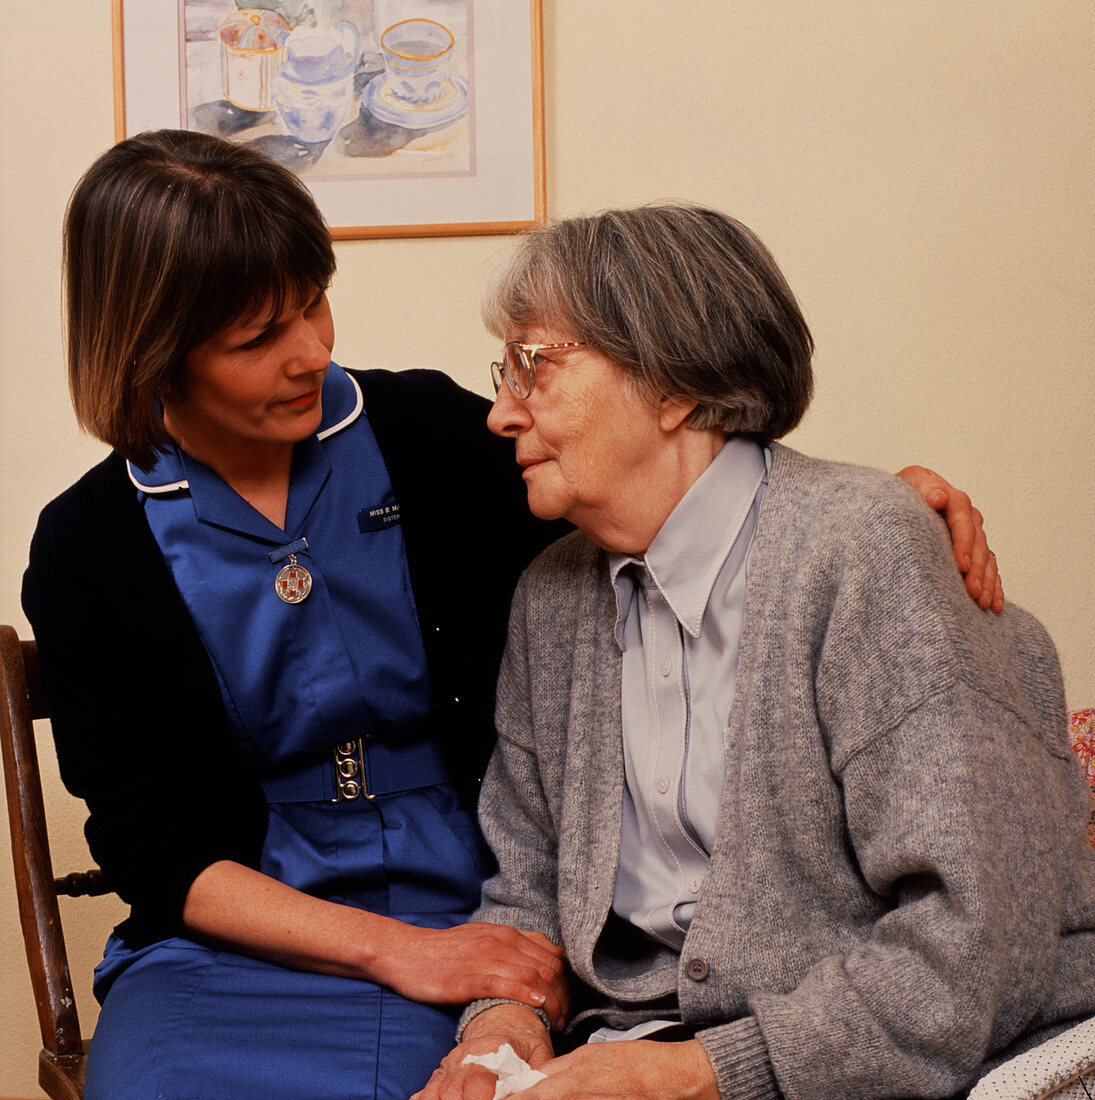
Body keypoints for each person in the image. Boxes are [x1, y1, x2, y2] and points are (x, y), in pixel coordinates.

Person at [22, 133, 996, 1099]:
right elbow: (158, 848)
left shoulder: (432, 435)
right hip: (239, 958)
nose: (312, 351)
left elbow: (665, 476)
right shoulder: (86, 546)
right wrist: (401, 952)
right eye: (256, 337)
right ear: (156, 349)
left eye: (314, 300)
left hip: (500, 923)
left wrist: (858, 504)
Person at [414, 205, 1095, 1100]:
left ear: (674, 387)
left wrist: (684, 1077)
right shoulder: (551, 594)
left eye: (534, 365)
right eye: (504, 372)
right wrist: (501, 1026)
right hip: (649, 1044)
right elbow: (526, 885)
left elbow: (973, 942)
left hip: (908, 1058)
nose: (501, 412)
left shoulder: (864, 551)